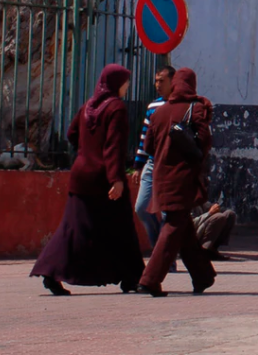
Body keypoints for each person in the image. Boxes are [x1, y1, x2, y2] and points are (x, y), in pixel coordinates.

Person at [31, 64, 145, 296]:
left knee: (73, 228)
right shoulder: (116, 109)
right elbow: (114, 146)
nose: (127, 86)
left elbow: (72, 134)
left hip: (81, 175)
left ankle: (51, 271)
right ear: (116, 83)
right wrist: (117, 179)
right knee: (121, 227)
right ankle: (132, 277)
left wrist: (86, 153)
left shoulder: (88, 106)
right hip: (103, 179)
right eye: (125, 81)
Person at [137, 68, 216, 296]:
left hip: (161, 176)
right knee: (173, 226)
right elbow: (204, 141)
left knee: (183, 227)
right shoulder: (197, 108)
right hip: (183, 178)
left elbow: (149, 146)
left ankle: (203, 276)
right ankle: (149, 279)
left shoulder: (159, 112)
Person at [134, 65, 174, 254]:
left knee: (167, 212)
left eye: (162, 81)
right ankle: (159, 245)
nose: (157, 85)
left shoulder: (182, 106)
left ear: (172, 82)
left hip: (170, 165)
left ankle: (165, 255)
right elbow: (144, 137)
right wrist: (138, 165)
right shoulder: (153, 107)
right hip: (151, 163)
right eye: (156, 81)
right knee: (141, 207)